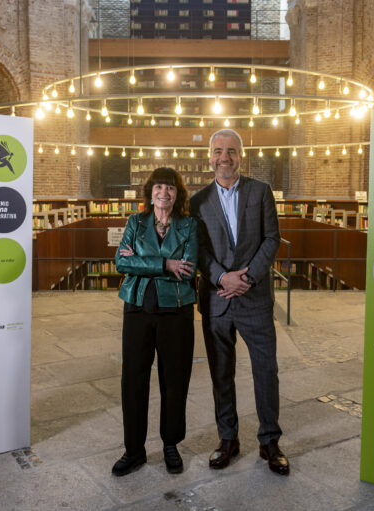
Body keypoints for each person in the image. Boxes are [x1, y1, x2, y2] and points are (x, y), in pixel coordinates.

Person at [189, 129, 289, 475]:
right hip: (217, 301)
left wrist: (246, 278)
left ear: (240, 156)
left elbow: (272, 238)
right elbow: (197, 249)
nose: (224, 157)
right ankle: (227, 439)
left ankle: (270, 441)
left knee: (266, 371)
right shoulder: (196, 201)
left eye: (231, 151)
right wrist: (221, 277)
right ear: (210, 157)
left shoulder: (261, 192)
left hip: (255, 298)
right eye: (218, 151)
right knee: (221, 374)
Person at [112, 166, 198, 477]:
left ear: (178, 194)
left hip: (176, 310)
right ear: (151, 192)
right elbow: (121, 261)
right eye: (159, 187)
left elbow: (188, 269)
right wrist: (165, 263)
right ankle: (134, 451)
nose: (164, 193)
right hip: (137, 308)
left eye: (171, 188)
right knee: (133, 381)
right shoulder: (136, 222)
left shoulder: (189, 226)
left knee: (175, 380)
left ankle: (171, 445)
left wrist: (142, 263)